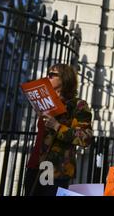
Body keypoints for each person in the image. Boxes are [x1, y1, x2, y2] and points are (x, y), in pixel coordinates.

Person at [24, 64, 93, 196]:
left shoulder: (77, 105)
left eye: (52, 75)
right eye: (47, 73)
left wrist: (57, 126)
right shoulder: (45, 102)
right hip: (34, 164)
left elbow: (86, 138)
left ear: (64, 79)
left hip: (52, 167)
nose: (47, 77)